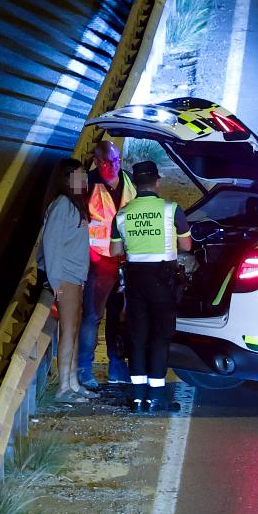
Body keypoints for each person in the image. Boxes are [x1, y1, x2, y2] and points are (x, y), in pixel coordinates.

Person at [110, 161, 191, 412]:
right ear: (157, 182)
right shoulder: (171, 209)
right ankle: (157, 397)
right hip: (162, 280)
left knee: (137, 336)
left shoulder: (121, 214)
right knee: (160, 336)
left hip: (135, 280)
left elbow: (114, 250)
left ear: (134, 184)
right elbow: (186, 246)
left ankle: (137, 398)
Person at [77, 140, 135, 389]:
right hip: (98, 263)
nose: (111, 166)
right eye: (104, 162)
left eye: (114, 161)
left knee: (118, 317)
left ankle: (116, 366)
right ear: (96, 162)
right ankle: (83, 369)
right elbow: (76, 221)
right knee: (92, 317)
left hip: (125, 261)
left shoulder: (130, 180)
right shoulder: (86, 183)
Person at [39, 159, 96, 403]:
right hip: (66, 278)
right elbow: (51, 244)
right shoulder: (62, 204)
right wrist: (55, 281)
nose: (84, 180)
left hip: (75, 277)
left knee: (72, 331)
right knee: (68, 332)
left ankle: (72, 382)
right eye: (80, 175)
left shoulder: (74, 204)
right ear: (66, 177)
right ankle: (64, 387)